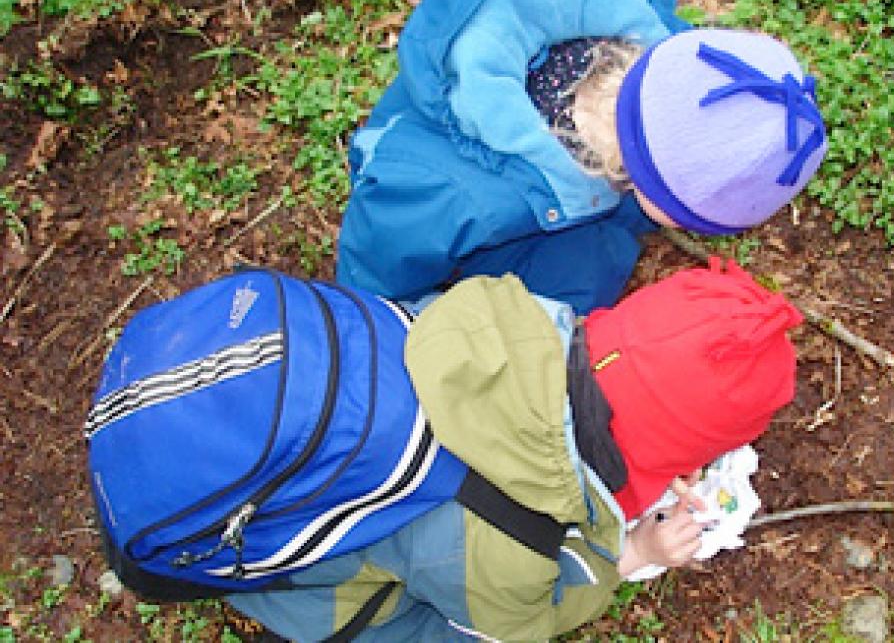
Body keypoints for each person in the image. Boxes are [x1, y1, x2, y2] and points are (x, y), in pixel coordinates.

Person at [227, 258, 804, 640]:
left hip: (264, 427)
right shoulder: (510, 547)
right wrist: (632, 552)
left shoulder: (498, 309)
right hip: (278, 575)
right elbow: (520, 623)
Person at [336, 0, 827, 314]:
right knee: (554, 307)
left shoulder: (676, 66)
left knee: (594, 269)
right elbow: (376, 262)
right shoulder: (447, 196)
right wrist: (399, 322)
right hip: (479, 190)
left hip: (558, 195)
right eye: (690, 213)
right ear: (638, 171)